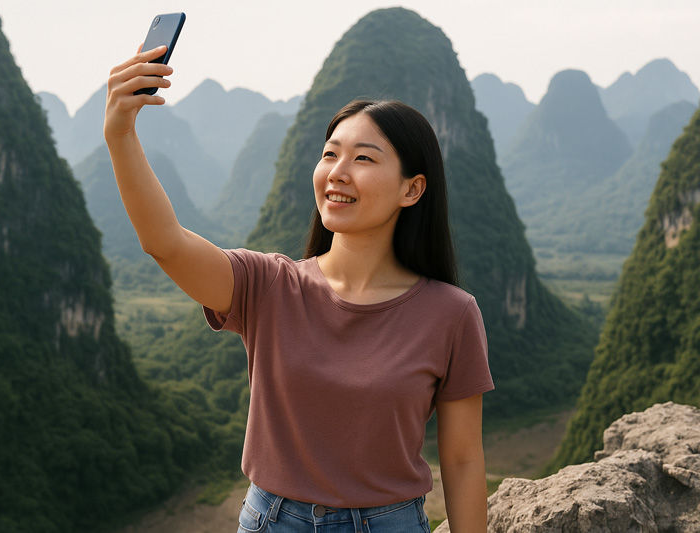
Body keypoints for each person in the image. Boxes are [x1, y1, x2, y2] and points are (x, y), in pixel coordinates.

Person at [105, 44, 494, 533]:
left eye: (363, 158)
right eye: (330, 154)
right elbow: (164, 242)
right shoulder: (268, 285)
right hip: (272, 521)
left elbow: (461, 459)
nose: (337, 172)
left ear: (412, 189)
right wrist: (120, 133)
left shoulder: (452, 314)